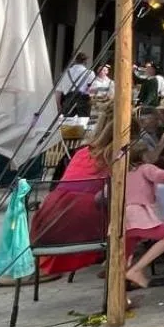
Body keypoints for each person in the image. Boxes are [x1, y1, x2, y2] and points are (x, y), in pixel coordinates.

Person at [29, 115, 119, 277]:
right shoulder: (115, 158)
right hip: (81, 227)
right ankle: (121, 267)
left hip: (47, 221)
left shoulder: (82, 152)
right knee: (128, 217)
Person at [120, 140, 164, 288]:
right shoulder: (145, 168)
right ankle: (136, 269)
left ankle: (123, 278)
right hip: (138, 214)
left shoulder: (121, 171)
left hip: (122, 216)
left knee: (126, 250)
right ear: (144, 156)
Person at [56, 53, 93, 117]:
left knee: (67, 123)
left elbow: (58, 92)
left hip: (68, 100)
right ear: (85, 61)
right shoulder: (90, 73)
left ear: (74, 61)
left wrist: (58, 105)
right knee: (83, 123)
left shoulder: (64, 73)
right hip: (83, 101)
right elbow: (92, 91)